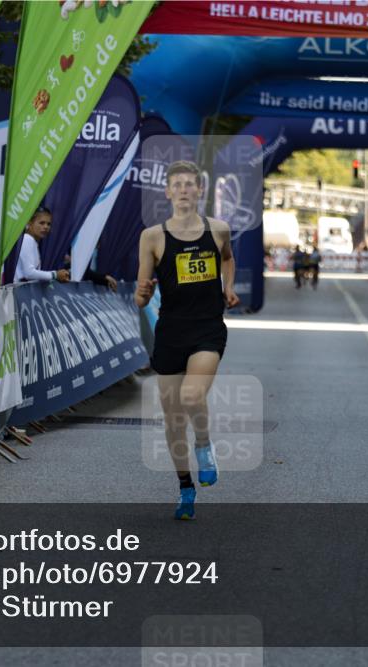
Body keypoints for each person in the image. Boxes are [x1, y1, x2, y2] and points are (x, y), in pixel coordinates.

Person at [134, 160, 240, 521]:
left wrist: (229, 287)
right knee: (173, 419)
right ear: (167, 192)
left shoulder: (219, 229)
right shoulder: (152, 236)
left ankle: (205, 447)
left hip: (208, 327)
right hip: (171, 331)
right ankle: (185, 486)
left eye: (188, 184)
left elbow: (227, 259)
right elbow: (140, 296)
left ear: (199, 191)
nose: (182, 189)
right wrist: (142, 294)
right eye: (176, 184)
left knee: (192, 396)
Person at [15, 206, 70, 283]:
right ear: (29, 223)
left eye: (48, 224)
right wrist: (55, 275)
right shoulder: (27, 239)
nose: (46, 227)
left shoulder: (32, 242)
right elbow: (29, 273)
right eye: (42, 223)